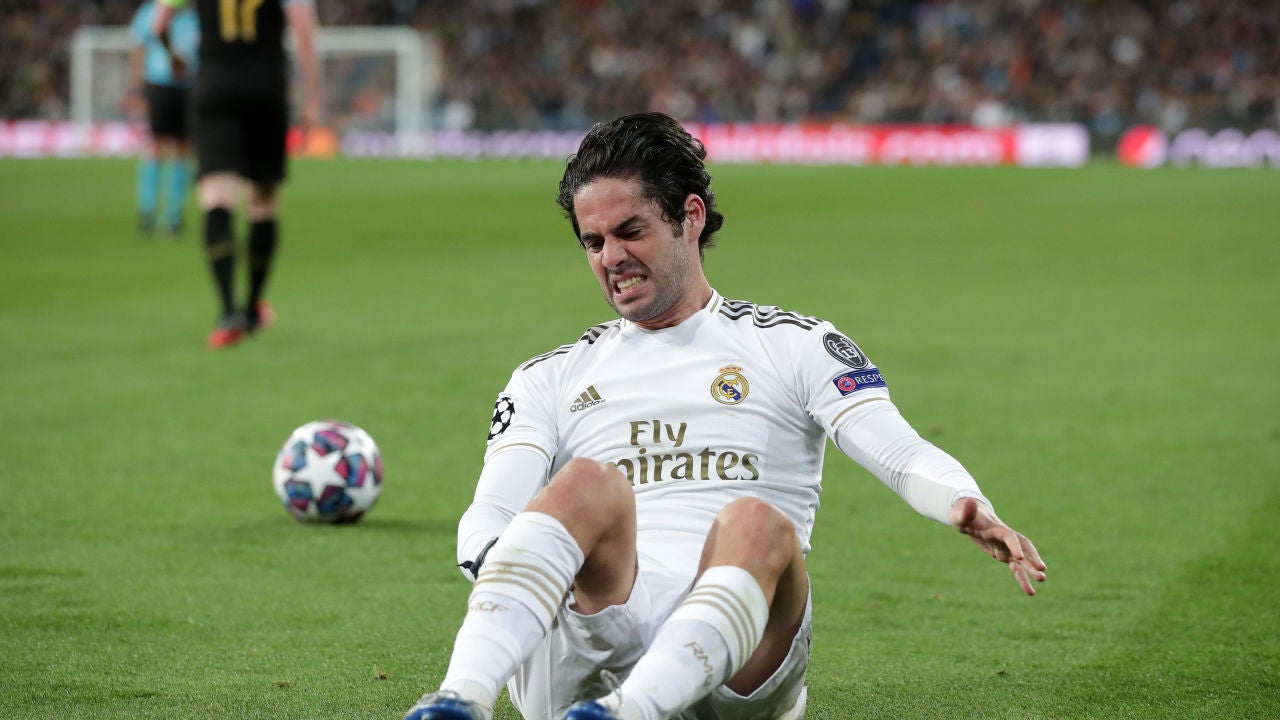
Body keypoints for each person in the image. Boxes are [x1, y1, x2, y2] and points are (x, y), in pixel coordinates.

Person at [405, 112, 1047, 720]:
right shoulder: (546, 376)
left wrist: (962, 501)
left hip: (741, 651)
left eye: (630, 231)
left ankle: (632, 711)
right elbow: (491, 512)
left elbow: (902, 453)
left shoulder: (796, 344)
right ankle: (460, 699)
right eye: (593, 242)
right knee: (586, 484)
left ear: (689, 217)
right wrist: (514, 577)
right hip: (594, 631)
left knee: (759, 522)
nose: (610, 257)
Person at [152, 0, 322, 349]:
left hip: (215, 86)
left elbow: (159, 25)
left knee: (217, 194)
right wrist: (313, 101)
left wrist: (174, 57)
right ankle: (252, 308)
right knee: (263, 199)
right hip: (266, 89)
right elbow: (305, 36)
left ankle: (228, 311)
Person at [127, 0, 199, 237]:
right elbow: (139, 49)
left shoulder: (196, 13)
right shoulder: (150, 11)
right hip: (160, 84)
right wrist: (138, 88)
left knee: (183, 148)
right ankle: (147, 210)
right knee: (156, 145)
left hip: (189, 87)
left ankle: (173, 215)